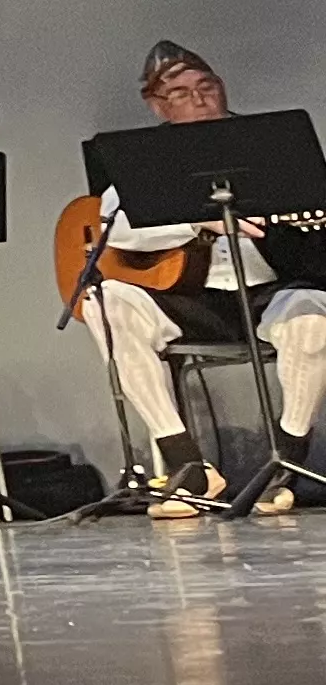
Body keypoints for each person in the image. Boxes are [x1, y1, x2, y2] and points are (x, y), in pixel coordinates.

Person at [75, 41, 321, 517]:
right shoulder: (144, 160)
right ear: (158, 106)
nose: (201, 98)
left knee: (312, 316)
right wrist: (193, 219)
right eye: (183, 92)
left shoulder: (270, 148)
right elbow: (115, 229)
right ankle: (187, 465)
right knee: (104, 303)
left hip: (268, 292)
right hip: (188, 299)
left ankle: (287, 463)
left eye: (207, 87)